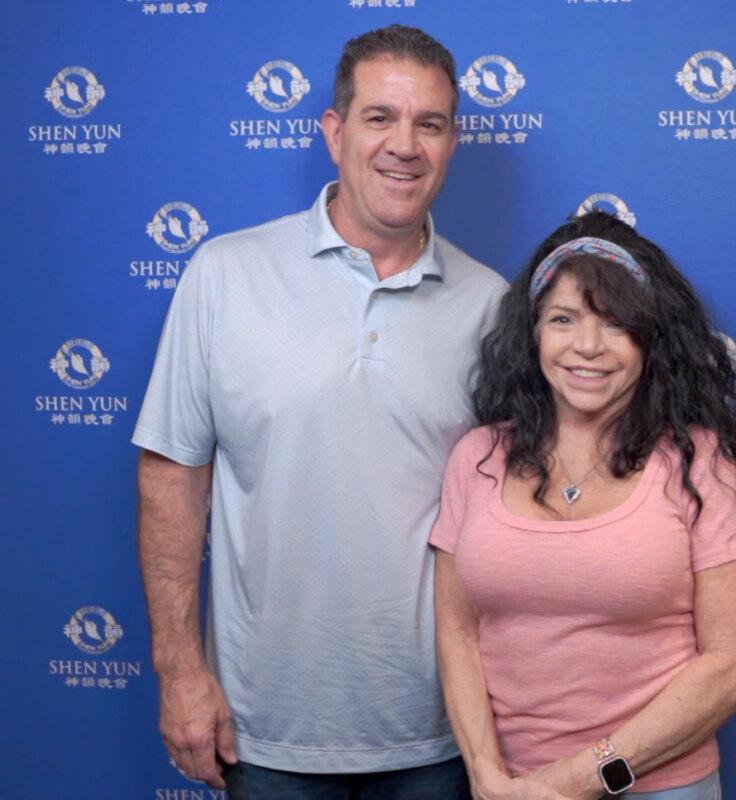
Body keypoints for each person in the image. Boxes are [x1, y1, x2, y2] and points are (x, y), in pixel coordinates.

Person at [133, 25, 506, 798]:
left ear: (451, 143)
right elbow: (171, 478)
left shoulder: (492, 306)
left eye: (429, 124)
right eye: (379, 118)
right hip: (264, 729)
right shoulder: (224, 274)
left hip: (444, 732)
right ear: (334, 132)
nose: (405, 145)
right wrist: (179, 668)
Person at [431, 211, 736, 799]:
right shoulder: (477, 457)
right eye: (564, 319)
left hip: (658, 787)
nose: (587, 346)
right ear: (534, 332)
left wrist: (573, 782)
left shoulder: (699, 464)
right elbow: (457, 630)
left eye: (616, 325)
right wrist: (487, 777)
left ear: (650, 341)